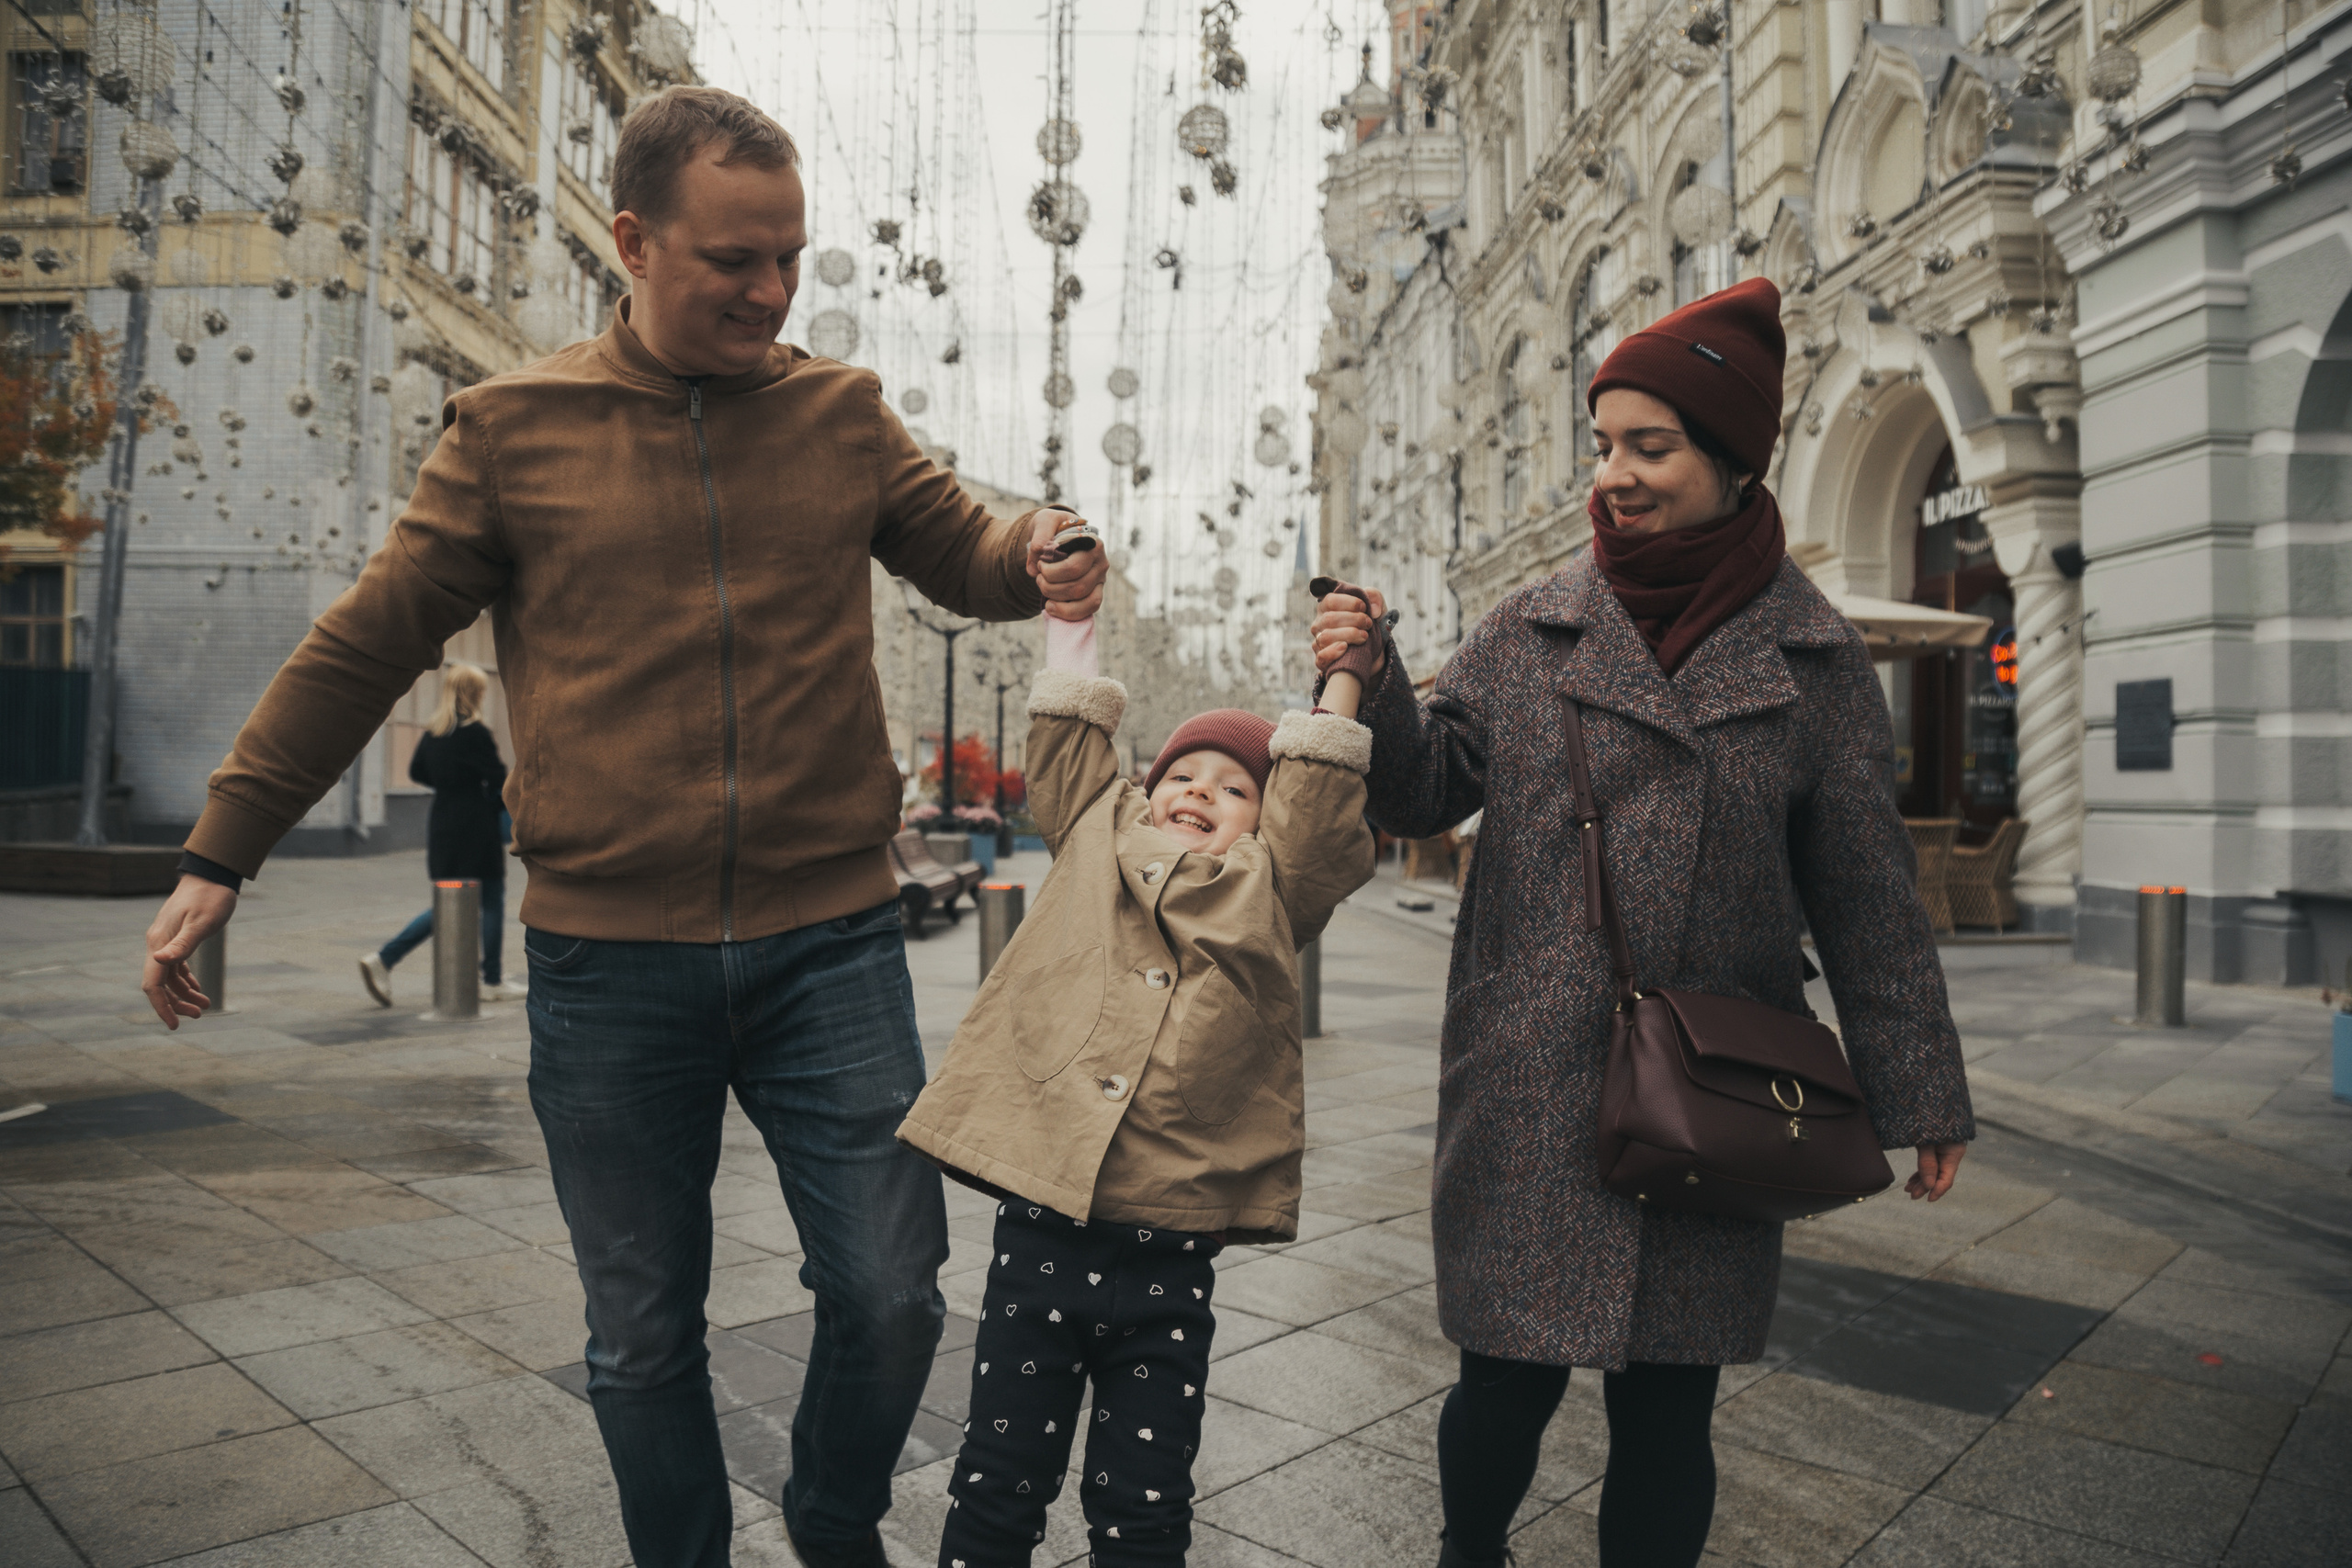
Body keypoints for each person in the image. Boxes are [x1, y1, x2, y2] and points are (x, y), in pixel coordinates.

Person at [136, 85, 1110, 1568]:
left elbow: (957, 546)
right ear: (634, 241)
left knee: (895, 1288)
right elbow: (365, 642)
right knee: (642, 1333)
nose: (772, 290)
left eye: (790, 256)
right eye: (735, 259)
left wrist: (1032, 541)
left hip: (831, 943)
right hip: (607, 966)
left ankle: (833, 1517)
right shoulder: (509, 431)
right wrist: (222, 851)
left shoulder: (841, 412)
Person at [1310, 277, 1973, 1568]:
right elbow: (1421, 791)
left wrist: (1920, 1088)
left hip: (1717, 1085)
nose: (1613, 474)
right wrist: (1377, 679)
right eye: (1604, 443)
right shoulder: (1531, 626)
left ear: (1731, 459)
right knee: (1501, 1380)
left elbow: (1867, 894)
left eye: (1649, 446)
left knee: (1670, 1404)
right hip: (1532, 1077)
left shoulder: (1816, 659)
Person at [895, 611, 1378, 1567]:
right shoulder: (1094, 835)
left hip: (1170, 1248)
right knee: (997, 1480)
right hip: (1042, 1237)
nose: (1200, 791)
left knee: (1145, 1505)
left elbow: (1319, 816)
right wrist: (1071, 623)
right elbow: (1070, 743)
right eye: (1181, 775)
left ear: (1266, 822)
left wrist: (1345, 681)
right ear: (1144, 792)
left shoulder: (1275, 888)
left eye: (1235, 788)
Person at [358, 661, 524, 1006]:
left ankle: (384, 959)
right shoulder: (476, 733)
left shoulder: (434, 733)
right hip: (476, 828)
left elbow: (417, 771)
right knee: (490, 900)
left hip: (443, 824)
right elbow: (499, 779)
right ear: (474, 693)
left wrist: (449, 785)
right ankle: (491, 980)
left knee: (449, 901)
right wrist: (488, 801)